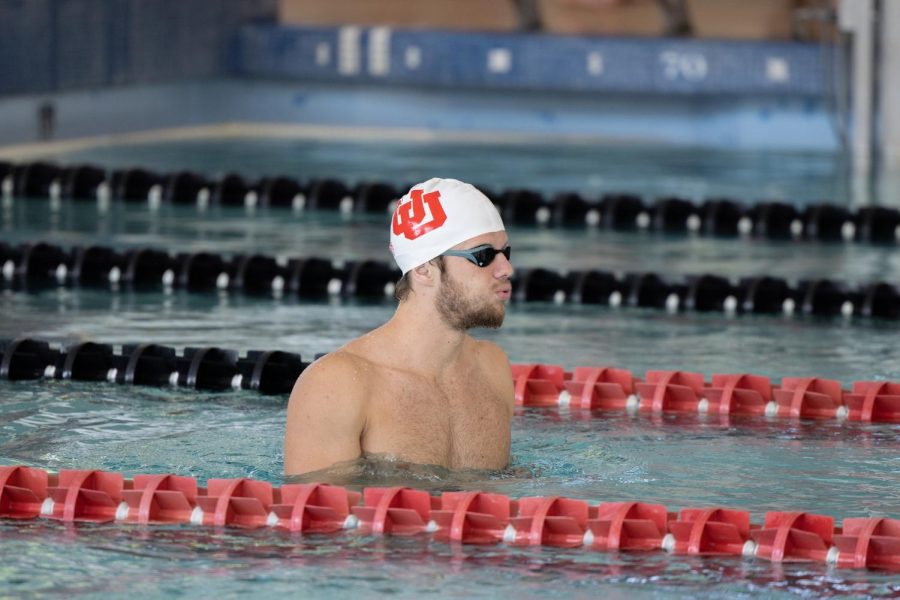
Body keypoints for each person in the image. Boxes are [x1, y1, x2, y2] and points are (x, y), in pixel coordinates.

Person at [284, 178, 515, 476]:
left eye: (505, 252)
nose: (506, 269)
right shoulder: (339, 385)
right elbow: (315, 518)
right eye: (483, 256)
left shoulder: (493, 368)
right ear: (423, 269)